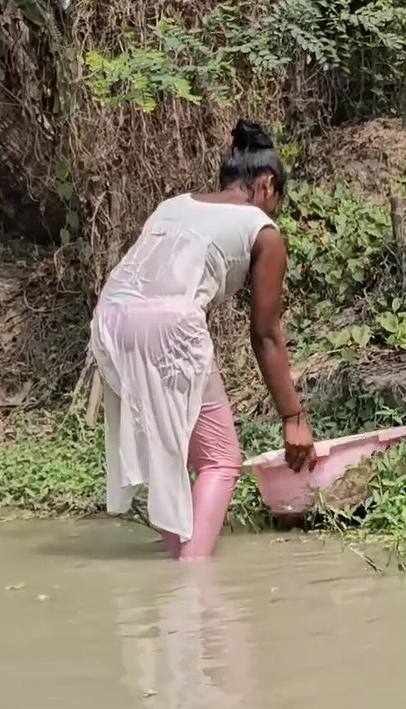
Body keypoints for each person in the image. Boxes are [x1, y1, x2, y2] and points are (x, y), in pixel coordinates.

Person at [89, 120, 317, 560]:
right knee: (220, 461)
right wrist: (293, 417)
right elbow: (266, 334)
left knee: (169, 448)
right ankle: (188, 585)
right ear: (267, 185)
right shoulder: (261, 230)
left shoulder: (172, 205)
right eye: (278, 202)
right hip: (167, 325)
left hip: (110, 322)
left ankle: (177, 555)